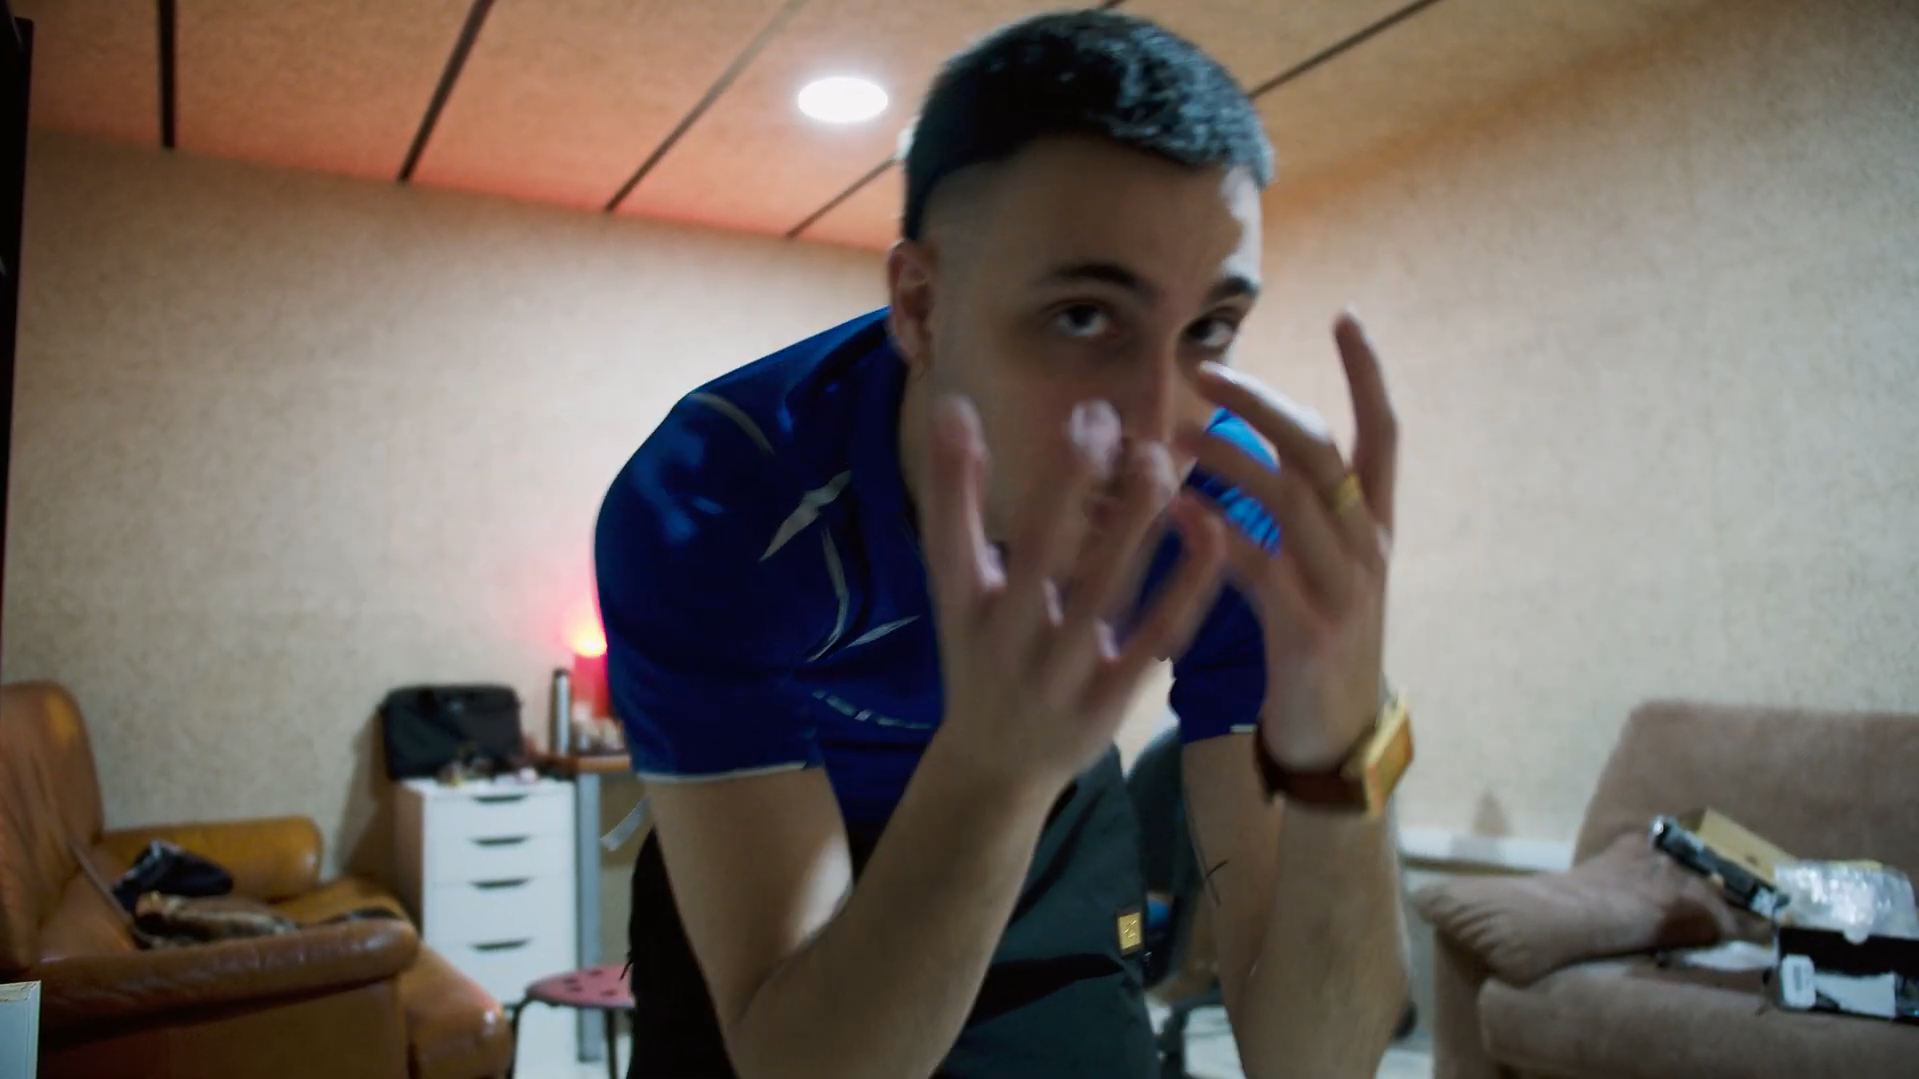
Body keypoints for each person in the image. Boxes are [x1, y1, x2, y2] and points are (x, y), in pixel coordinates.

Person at [595, 11, 1411, 1078]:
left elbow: (1309, 1062)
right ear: (920, 307)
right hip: (779, 833)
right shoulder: (719, 500)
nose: (1155, 428)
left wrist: (1349, 741)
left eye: (1207, 328)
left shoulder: (1229, 509)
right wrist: (989, 766)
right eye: (1083, 316)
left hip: (1052, 812)